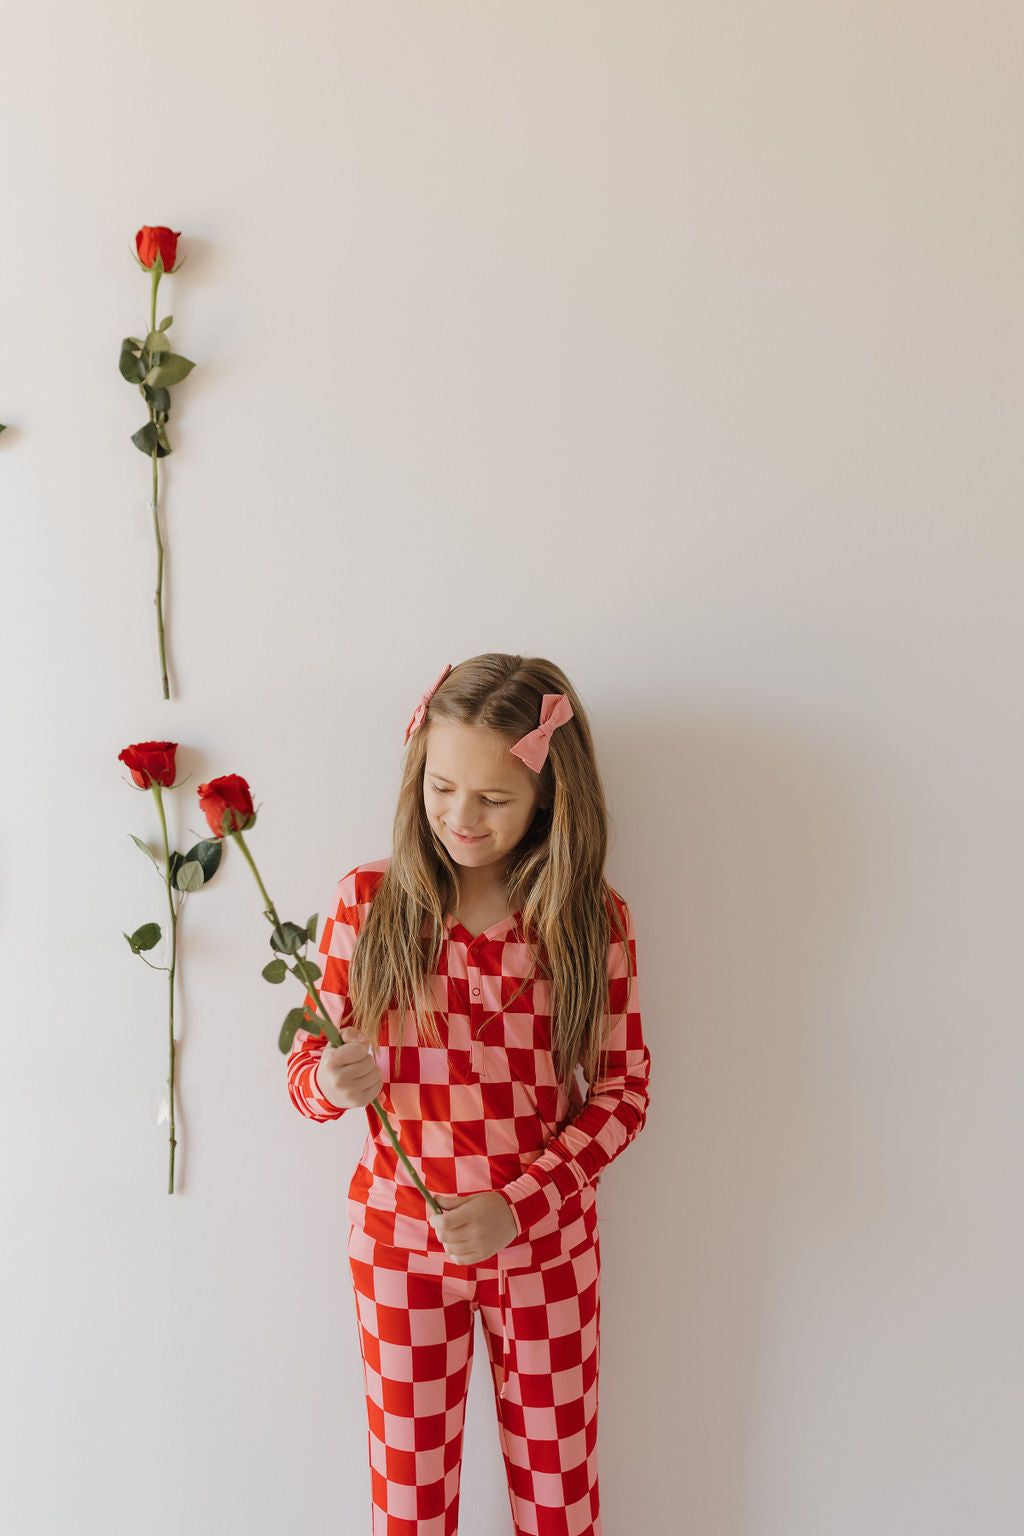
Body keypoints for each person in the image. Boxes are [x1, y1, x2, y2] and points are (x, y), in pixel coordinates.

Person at [287, 653, 651, 1536]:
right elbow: (305, 1074)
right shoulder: (364, 904)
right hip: (399, 1252)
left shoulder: (587, 919)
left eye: (493, 799)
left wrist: (517, 1207)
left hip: (546, 1255)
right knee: (409, 1503)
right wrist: (328, 1081)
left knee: (559, 1499)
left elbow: (623, 1093)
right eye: (443, 788)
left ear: (548, 797)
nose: (460, 817)